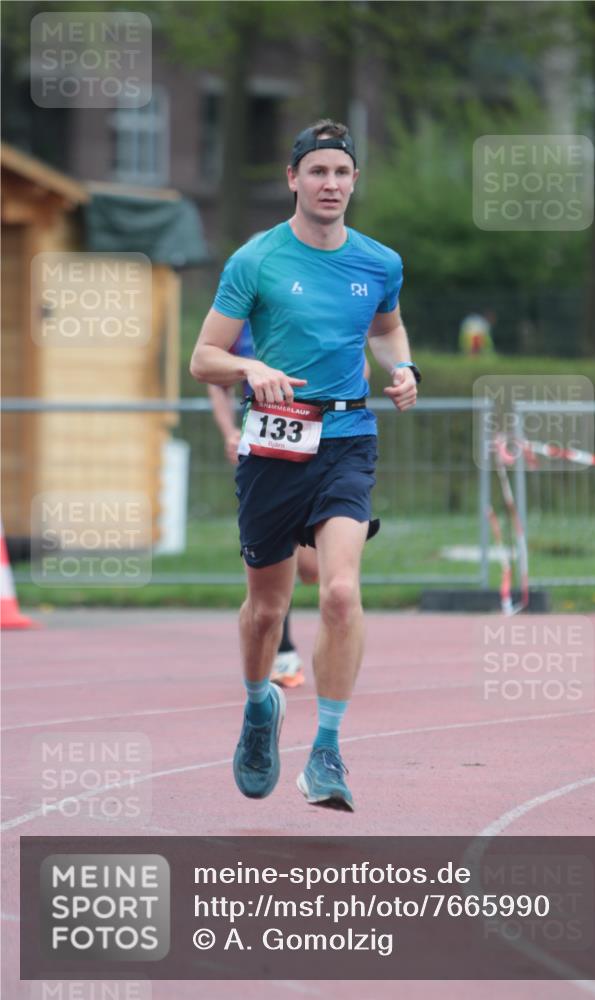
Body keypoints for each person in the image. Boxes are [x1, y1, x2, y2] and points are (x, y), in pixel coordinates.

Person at [191, 118, 420, 811]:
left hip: (347, 436)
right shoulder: (255, 260)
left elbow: (385, 328)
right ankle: (260, 707)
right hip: (272, 445)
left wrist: (403, 366)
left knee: (341, 593)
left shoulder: (379, 262)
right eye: (316, 171)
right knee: (267, 610)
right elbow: (203, 358)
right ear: (292, 179)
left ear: (355, 182)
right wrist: (250, 364)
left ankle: (326, 751)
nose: (330, 184)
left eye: (341, 172)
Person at [208, 320, 318, 689]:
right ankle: (282, 649)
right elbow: (215, 381)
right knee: (270, 552)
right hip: (260, 448)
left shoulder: (311, 306)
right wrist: (229, 433)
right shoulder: (239, 319)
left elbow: (358, 365)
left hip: (316, 443)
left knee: (311, 569)